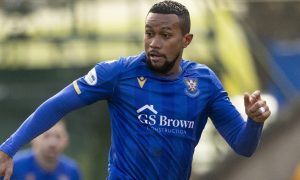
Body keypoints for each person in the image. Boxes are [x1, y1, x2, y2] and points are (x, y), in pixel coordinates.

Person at [0, 1, 271, 179]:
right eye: (148, 33)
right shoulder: (118, 73)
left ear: (186, 40)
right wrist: (9, 148)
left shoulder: (204, 82)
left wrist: (254, 122)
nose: (154, 43)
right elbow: (58, 105)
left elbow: (243, 145)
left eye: (165, 35)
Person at [3, 121, 82, 180]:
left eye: (58, 137)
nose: (53, 143)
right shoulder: (13, 166)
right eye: (46, 136)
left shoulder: (72, 171)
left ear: (66, 141)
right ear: (33, 138)